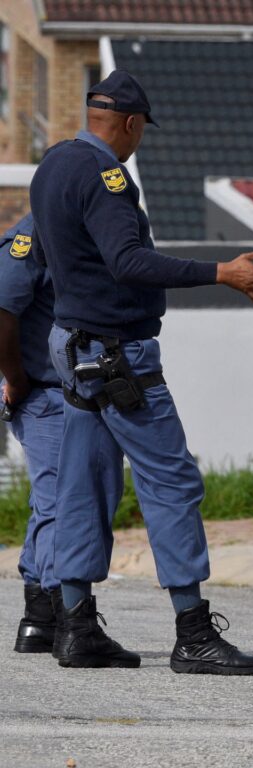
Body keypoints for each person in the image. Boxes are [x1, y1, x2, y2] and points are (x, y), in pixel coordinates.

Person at [29, 70, 253, 673]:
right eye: (141, 130)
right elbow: (128, 261)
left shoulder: (52, 165)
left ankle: (76, 626)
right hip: (118, 355)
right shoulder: (107, 178)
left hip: (73, 348)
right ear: (131, 123)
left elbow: (50, 256)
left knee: (81, 487)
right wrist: (220, 273)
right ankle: (193, 633)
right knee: (171, 483)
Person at [0, 212, 64, 655]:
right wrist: (16, 379)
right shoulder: (30, 235)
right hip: (40, 391)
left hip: (71, 390)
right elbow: (2, 311)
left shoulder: (79, 226)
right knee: (60, 498)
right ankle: (58, 614)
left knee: (55, 498)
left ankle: (41, 617)